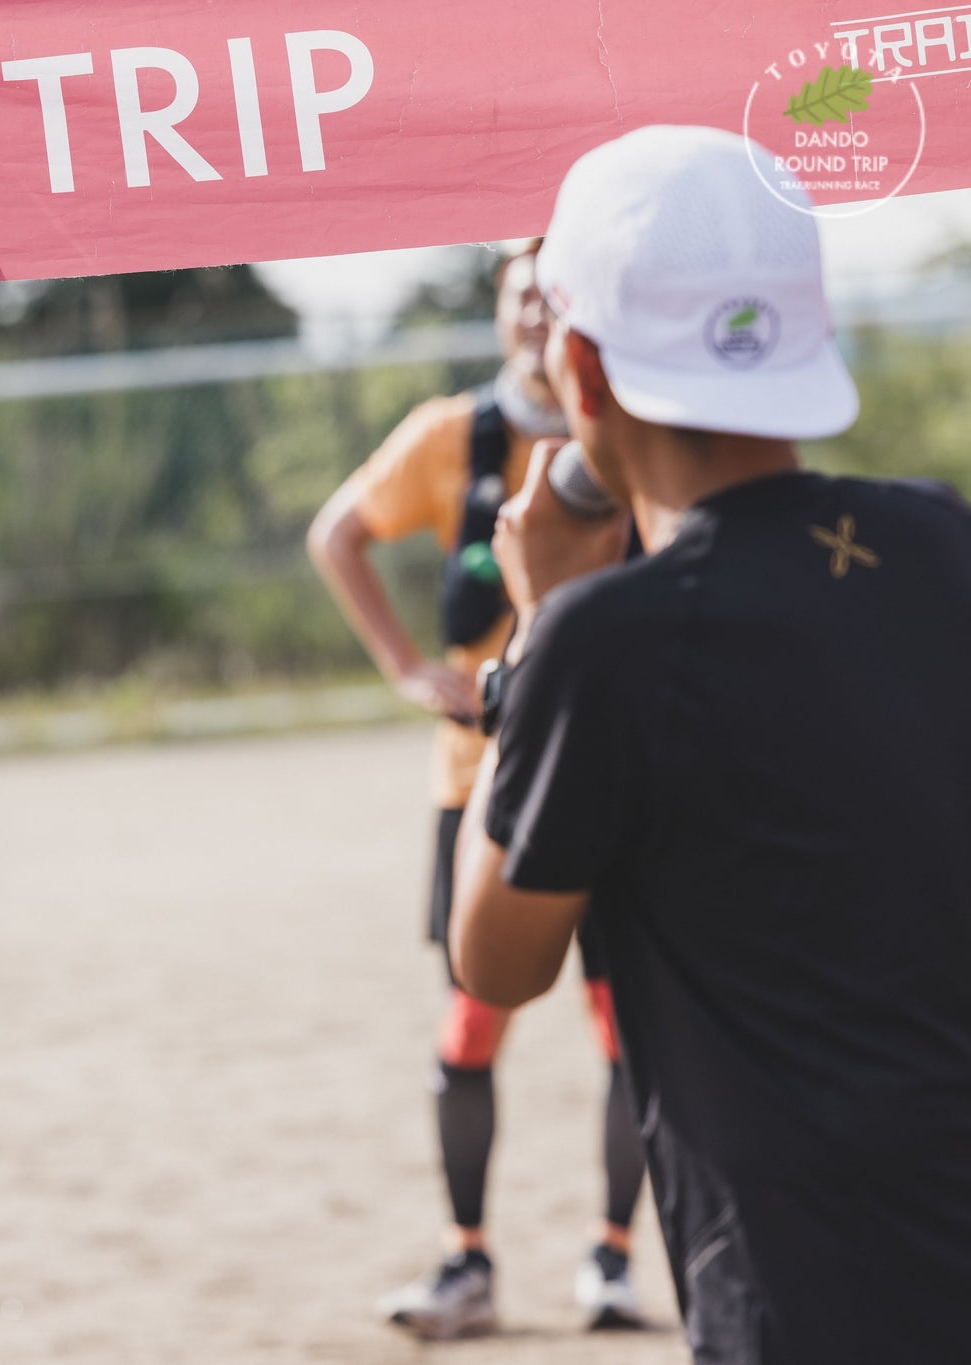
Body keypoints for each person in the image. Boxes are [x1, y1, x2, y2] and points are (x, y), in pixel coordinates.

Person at [451, 123, 971, 1365]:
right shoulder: (938, 537)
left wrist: (534, 626)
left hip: (807, 1279)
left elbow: (494, 959)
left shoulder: (602, 642)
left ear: (581, 370)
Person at [307, 241, 646, 1338]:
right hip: (483, 775)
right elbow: (336, 534)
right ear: (500, 310)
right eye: (521, 293)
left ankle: (612, 1260)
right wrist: (409, 667)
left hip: (621, 775)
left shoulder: (636, 426)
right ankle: (468, 1262)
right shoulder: (453, 434)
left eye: (559, 291)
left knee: (627, 1028)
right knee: (471, 1020)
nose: (539, 311)